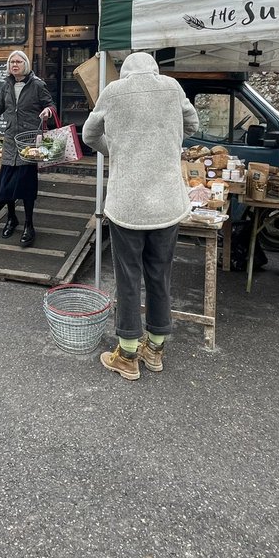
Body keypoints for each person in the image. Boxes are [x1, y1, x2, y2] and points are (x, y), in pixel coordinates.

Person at [82, 52, 200, 381]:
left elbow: (89, 135)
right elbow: (193, 124)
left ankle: (128, 354)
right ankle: (156, 350)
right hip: (166, 203)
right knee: (160, 275)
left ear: (126, 72)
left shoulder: (113, 91)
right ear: (154, 70)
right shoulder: (172, 87)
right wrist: (166, 144)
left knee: (128, 277)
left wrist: (117, 150)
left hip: (127, 204)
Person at [0, 50, 54, 248]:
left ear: (25, 64)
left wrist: (48, 111)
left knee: (26, 187)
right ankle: (11, 218)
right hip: (9, 142)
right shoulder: (6, 84)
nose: (15, 65)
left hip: (29, 143)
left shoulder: (38, 85)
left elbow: (50, 104)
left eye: (18, 61)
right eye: (12, 62)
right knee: (6, 186)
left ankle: (29, 225)